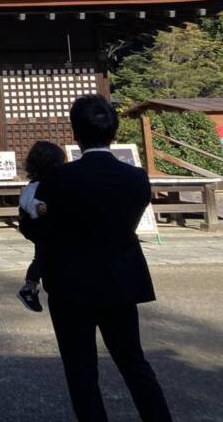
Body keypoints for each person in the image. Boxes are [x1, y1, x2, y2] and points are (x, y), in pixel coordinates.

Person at [37, 95, 172, 422]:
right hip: (120, 279)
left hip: (71, 284)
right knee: (133, 362)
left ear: (74, 133)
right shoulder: (136, 178)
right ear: (114, 132)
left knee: (81, 371)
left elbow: (46, 228)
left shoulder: (58, 179)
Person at [17, 141, 65, 312]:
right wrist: (37, 207)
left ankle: (30, 288)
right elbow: (27, 202)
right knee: (42, 257)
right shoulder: (37, 184)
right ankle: (29, 288)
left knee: (42, 257)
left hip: (45, 230)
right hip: (43, 229)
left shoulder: (43, 181)